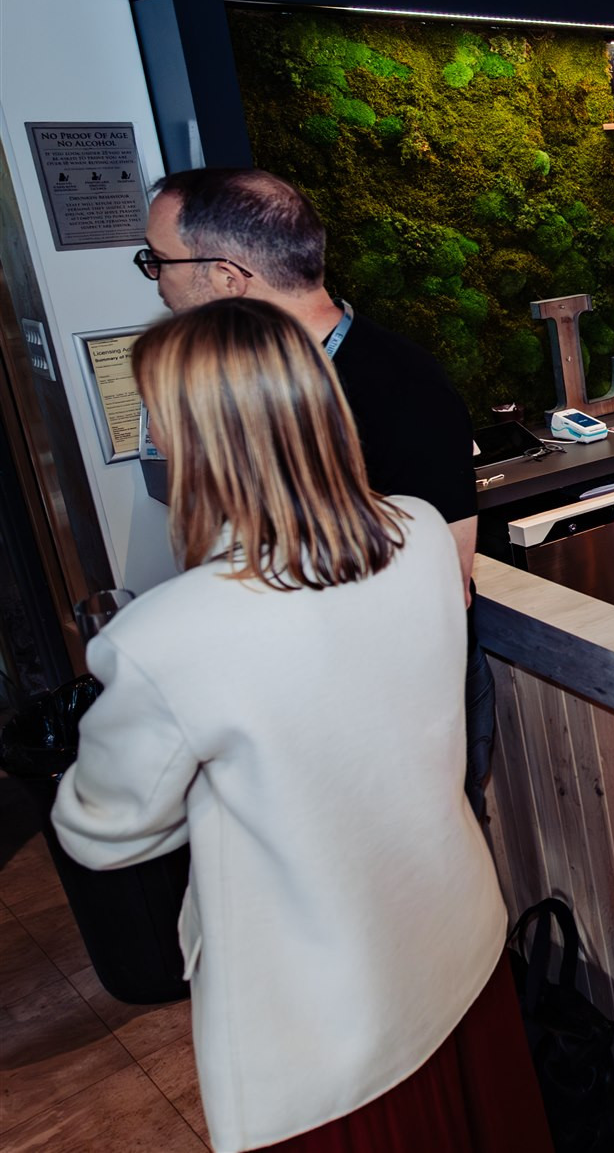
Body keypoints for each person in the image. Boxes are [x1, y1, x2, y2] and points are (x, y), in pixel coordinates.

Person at [51, 297, 549, 1153]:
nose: (154, 444)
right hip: (457, 948)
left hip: (326, 1029)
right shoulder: (422, 534)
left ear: (202, 440)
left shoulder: (165, 638)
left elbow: (101, 829)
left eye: (159, 420)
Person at [137, 168, 493, 816]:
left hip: (396, 725)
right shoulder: (234, 391)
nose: (156, 282)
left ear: (225, 277)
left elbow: (447, 584)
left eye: (158, 261)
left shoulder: (402, 388)